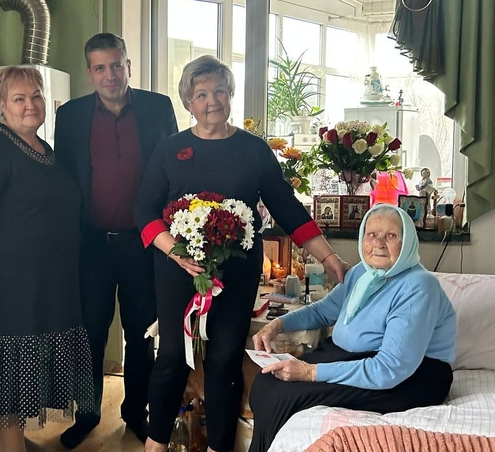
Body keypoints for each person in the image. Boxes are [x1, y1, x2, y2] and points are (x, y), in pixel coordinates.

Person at [134, 54, 349, 452]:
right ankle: (155, 444)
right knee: (172, 357)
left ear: (230, 95)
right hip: (178, 270)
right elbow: (143, 211)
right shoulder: (170, 149)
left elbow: (287, 208)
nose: (211, 100)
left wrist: (329, 257)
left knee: (225, 358)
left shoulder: (254, 150)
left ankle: (219, 446)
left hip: (236, 274)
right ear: (188, 102)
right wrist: (174, 252)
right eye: (201, 94)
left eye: (219, 91)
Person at [0, 66, 95, 452]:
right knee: (7, 374)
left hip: (45, 286)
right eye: (19, 98)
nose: (30, 105)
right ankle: (10, 446)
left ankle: (17, 441)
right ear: (2, 104)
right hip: (7, 285)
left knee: (27, 370)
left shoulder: (46, 150)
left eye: (36, 96)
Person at [53, 32, 179, 448]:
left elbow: (173, 171)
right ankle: (88, 413)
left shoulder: (158, 108)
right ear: (89, 72)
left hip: (145, 244)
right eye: (100, 68)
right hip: (91, 246)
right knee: (89, 332)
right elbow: (64, 179)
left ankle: (135, 412)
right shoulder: (70, 116)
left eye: (116, 65)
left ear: (128, 65)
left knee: (141, 334)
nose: (110, 75)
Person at [248, 203, 457, 452]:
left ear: (408, 242)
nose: (379, 243)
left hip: (412, 377)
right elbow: (323, 311)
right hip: (357, 358)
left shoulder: (418, 286)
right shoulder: (362, 272)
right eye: (372, 234)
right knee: (266, 383)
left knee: (284, 398)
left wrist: (310, 372)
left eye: (391, 235)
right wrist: (278, 325)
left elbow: (390, 368)